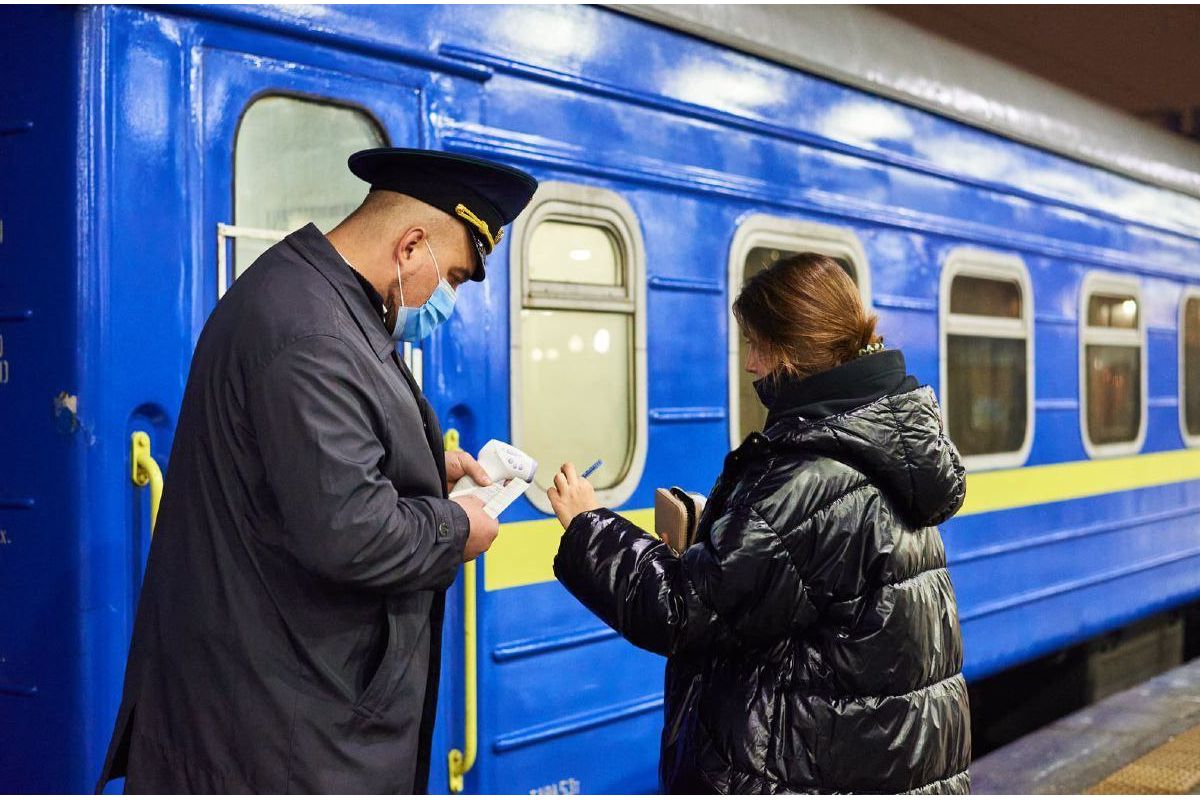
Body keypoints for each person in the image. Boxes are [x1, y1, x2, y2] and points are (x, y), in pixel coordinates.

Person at [96, 149, 537, 793]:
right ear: (412, 246)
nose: (448, 304)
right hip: (279, 737)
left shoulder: (315, 303)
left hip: (284, 713)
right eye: (454, 280)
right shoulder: (315, 335)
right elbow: (350, 532)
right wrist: (454, 526)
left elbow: (307, 470)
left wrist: (420, 468)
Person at [549, 253, 971, 794]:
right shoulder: (878, 446)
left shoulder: (813, 475)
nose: (750, 364)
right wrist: (721, 534)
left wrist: (588, 526)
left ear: (793, 347)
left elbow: (681, 609)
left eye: (756, 344)